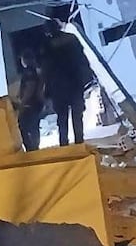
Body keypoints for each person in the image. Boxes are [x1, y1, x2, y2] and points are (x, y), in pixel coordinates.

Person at [41, 18, 93, 147]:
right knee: (77, 115)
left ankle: (64, 144)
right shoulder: (71, 39)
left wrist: (47, 91)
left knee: (62, 117)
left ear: (48, 31)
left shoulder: (47, 45)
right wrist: (87, 78)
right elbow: (82, 59)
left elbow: (46, 69)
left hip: (58, 86)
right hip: (75, 82)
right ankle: (79, 142)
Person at [16, 50, 45, 152]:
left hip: (30, 104)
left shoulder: (29, 72)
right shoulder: (37, 71)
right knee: (34, 126)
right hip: (36, 103)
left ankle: (31, 148)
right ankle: (34, 147)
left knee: (22, 126)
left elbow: (30, 87)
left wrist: (22, 102)